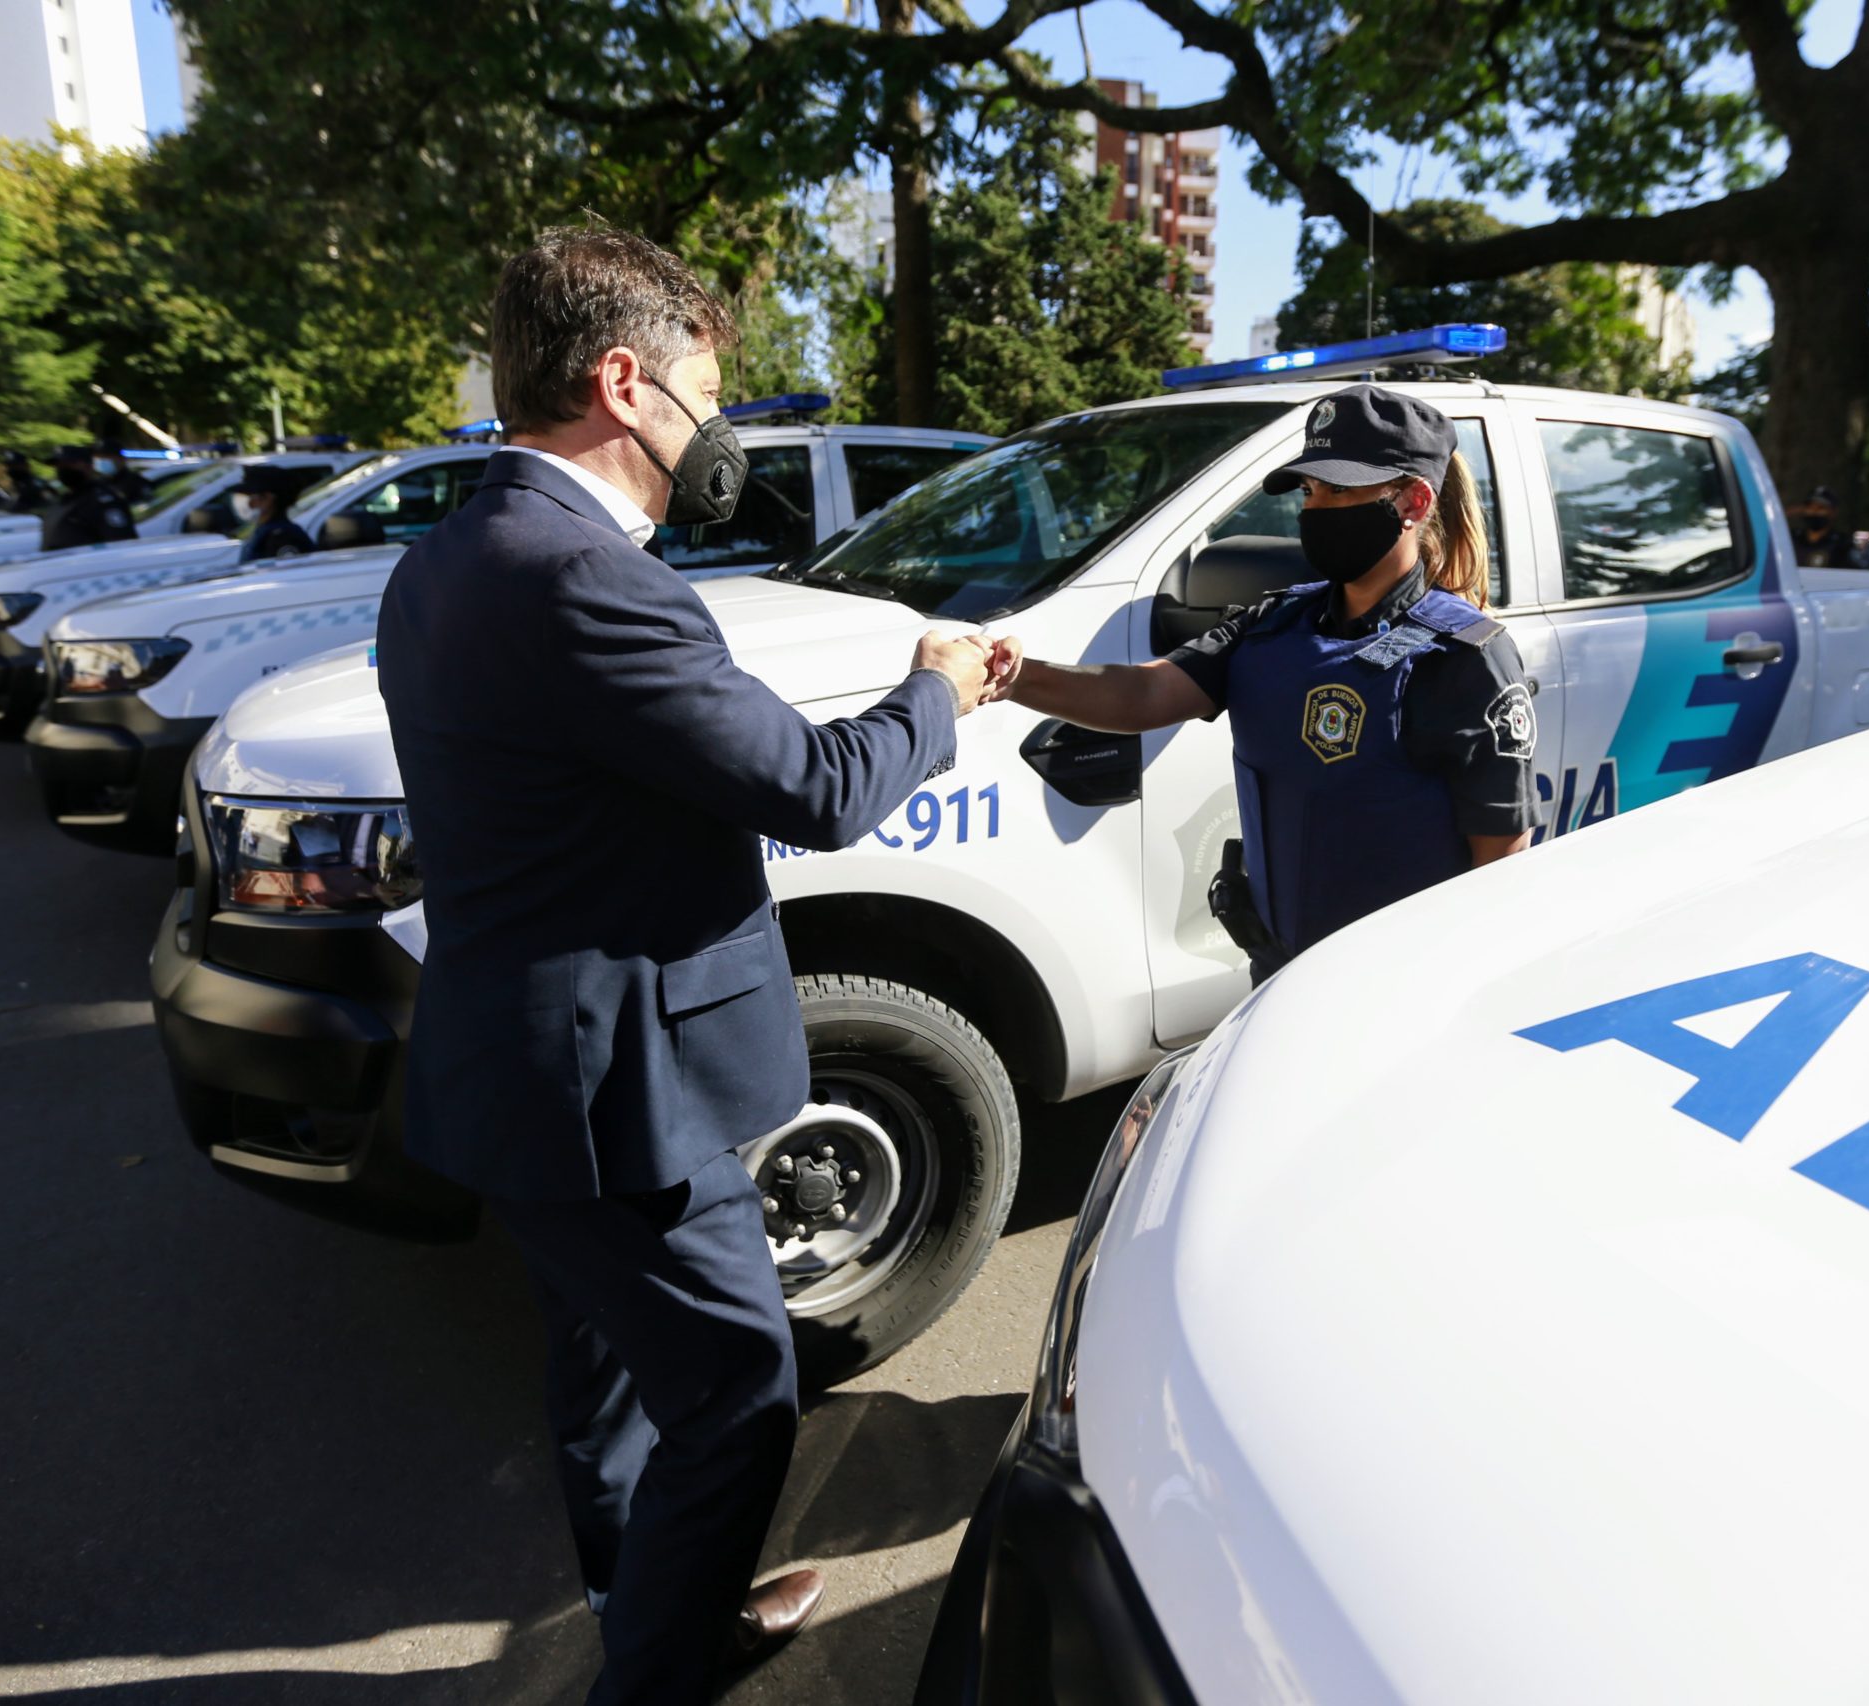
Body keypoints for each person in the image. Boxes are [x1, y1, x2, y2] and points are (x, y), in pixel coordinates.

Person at [375, 226, 997, 1706]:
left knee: (603, 1376)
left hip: (519, 1076)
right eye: (703, 392)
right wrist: (937, 687)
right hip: (613, 1097)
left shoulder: (446, 559)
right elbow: (816, 788)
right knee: (735, 1392)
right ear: (621, 382)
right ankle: (657, 1671)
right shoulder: (582, 577)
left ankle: (653, 1598)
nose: (718, 431)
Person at [988, 382, 1543, 980]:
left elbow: (1499, 863)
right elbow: (1141, 694)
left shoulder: (1460, 657)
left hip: (1399, 988)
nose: (1314, 509)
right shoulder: (1273, 624)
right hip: (1278, 972)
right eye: (1309, 490)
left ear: (1411, 502)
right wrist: (1012, 674)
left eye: (1337, 489)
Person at [38, 445, 138, 552]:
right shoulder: (64, 499)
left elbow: (120, 544)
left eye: (69, 464)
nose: (62, 469)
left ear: (87, 465)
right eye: (59, 465)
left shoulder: (103, 501)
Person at [232, 463, 314, 563]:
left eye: (251, 496)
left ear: (268, 499)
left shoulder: (283, 538)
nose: (250, 503)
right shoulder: (264, 531)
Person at [1790, 485, 1856, 568]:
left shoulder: (1842, 543)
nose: (1814, 512)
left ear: (1833, 512)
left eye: (1820, 508)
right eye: (1810, 508)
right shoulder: (1792, 538)